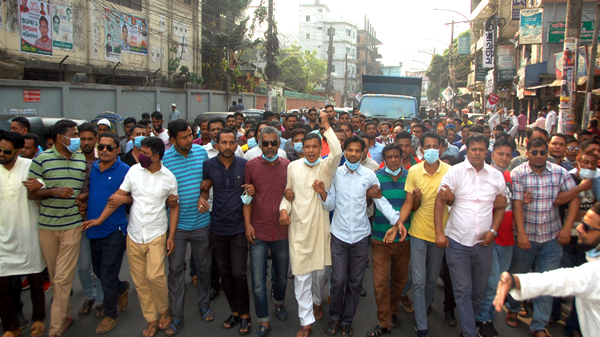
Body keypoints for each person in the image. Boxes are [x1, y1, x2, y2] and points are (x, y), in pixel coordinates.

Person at [319, 136, 400, 336]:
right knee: (338, 280)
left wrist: (397, 221)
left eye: (358, 150)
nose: (354, 154)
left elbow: (380, 201)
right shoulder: (335, 174)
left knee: (355, 282)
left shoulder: (370, 176)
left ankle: (347, 320)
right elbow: (331, 204)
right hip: (339, 235)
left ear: (363, 153)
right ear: (344, 151)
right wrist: (323, 194)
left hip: (361, 236)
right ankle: (334, 317)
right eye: (350, 150)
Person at [505, 137, 579, 337]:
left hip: (551, 237)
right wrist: (521, 233)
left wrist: (567, 228)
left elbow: (574, 198)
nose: (539, 156)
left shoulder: (560, 172)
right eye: (534, 152)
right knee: (520, 276)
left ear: (548, 154)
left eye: (542, 152)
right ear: (527, 153)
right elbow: (517, 204)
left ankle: (538, 324)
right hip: (525, 236)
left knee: (546, 282)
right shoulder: (518, 173)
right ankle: (512, 309)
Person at [434, 134, 507, 337]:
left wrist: (493, 231)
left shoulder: (495, 176)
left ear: (486, 152)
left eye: (481, 149)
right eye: (474, 149)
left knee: (478, 292)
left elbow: (501, 205)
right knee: (463, 290)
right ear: (467, 150)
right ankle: (469, 332)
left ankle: (468, 325)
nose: (477, 153)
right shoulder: (455, 173)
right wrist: (439, 233)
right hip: (457, 242)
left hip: (484, 244)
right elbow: (440, 202)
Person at [493, 203, 600, 337]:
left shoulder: (595, 272)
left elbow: (558, 281)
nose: (578, 228)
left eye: (587, 227)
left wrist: (515, 281)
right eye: (581, 222)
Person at [279, 110, 341, 337]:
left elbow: (337, 152)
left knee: (321, 275)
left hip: (319, 229)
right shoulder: (292, 167)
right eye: (308, 147)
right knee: (301, 278)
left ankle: (317, 302)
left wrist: (326, 124)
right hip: (297, 230)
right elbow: (288, 194)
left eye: (316, 147)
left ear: (320, 148)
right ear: (302, 149)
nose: (312, 151)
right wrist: (284, 210)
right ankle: (306, 321)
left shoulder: (326, 167)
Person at [112, 137, 179, 337]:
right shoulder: (133, 171)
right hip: (134, 233)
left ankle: (164, 309)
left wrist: (171, 236)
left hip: (156, 232)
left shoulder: (169, 178)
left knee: (155, 276)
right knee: (140, 281)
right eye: (141, 152)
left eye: (145, 154)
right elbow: (121, 194)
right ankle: (151, 318)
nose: (140, 156)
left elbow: (174, 208)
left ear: (156, 156)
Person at [27, 119, 86, 337]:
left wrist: (83, 198)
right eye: (74, 134)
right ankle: (67, 312)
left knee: (62, 279)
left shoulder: (81, 159)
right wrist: (54, 191)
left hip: (72, 225)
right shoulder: (41, 160)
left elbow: (84, 189)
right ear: (61, 137)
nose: (77, 139)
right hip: (47, 227)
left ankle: (55, 330)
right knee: (55, 278)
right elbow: (31, 193)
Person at [161, 119, 212, 335]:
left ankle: (204, 305)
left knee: (203, 267)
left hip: (202, 223)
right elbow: (159, 191)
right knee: (175, 271)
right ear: (172, 140)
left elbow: (208, 180)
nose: (190, 139)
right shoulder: (164, 160)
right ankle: (177, 317)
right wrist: (167, 202)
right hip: (177, 228)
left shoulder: (201, 153)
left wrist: (204, 193)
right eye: (185, 137)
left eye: (191, 135)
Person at [200, 128, 252, 335]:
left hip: (239, 227)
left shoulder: (245, 164)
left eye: (232, 142)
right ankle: (235, 311)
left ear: (237, 143)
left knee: (239, 273)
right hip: (217, 227)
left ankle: (246, 314)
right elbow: (205, 188)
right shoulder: (208, 165)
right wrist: (201, 197)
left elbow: (249, 192)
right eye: (224, 143)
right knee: (225, 274)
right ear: (217, 144)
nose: (228, 147)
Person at [80, 133, 131, 334]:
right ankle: (121, 288)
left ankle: (111, 315)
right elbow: (89, 191)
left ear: (118, 150)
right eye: (101, 147)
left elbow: (133, 197)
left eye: (110, 147)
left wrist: (123, 200)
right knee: (101, 273)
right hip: (93, 230)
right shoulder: (91, 168)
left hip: (115, 230)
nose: (104, 150)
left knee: (107, 275)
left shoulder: (125, 170)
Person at [244, 126, 290, 337]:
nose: (270, 147)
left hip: (282, 231)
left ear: (279, 143)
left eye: (273, 143)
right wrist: (247, 225)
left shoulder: (289, 166)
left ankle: (279, 302)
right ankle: (263, 320)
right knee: (258, 282)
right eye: (265, 143)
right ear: (259, 144)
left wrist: (291, 195)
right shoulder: (251, 166)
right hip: (259, 230)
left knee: (281, 276)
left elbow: (294, 197)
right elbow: (246, 198)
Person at [0, 130, 46, 337]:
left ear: (18, 151)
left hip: (28, 233)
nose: (1, 154)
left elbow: (46, 184)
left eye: (5, 151)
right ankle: (11, 327)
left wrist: (39, 185)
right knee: (3, 287)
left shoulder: (30, 167)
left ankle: (38, 320)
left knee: (36, 281)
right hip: (2, 236)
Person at [405, 132, 451, 337]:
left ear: (441, 149)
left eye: (435, 146)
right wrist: (399, 222)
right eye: (427, 146)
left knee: (432, 280)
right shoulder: (414, 171)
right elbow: (409, 204)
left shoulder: (451, 171)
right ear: (421, 150)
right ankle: (421, 324)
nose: (431, 149)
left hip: (441, 236)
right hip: (418, 233)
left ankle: (422, 308)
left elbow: (454, 202)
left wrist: (450, 198)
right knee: (418, 278)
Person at [368, 143, 415, 337]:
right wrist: (368, 195)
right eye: (390, 157)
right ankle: (383, 322)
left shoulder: (411, 177)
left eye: (397, 156)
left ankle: (393, 311)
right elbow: (369, 203)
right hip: (380, 238)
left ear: (402, 156)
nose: (393, 160)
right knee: (380, 283)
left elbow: (414, 205)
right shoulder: (376, 178)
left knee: (399, 281)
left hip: (404, 239)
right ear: (384, 159)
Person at [475, 138, 516, 337]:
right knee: (491, 283)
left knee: (499, 282)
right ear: (493, 153)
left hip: (507, 239)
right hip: (489, 238)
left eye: (508, 155)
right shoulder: (484, 176)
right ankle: (482, 320)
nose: (504, 158)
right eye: (501, 153)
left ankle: (487, 317)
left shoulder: (510, 177)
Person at [75, 123, 105, 317]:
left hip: (99, 219)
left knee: (100, 264)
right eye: (82, 139)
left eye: (89, 139)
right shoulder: (73, 159)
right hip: (77, 220)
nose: (86, 143)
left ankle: (101, 300)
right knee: (83, 265)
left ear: (96, 139)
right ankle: (89, 294)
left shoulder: (103, 157)